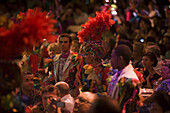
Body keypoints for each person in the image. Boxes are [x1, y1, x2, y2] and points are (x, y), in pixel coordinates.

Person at [107, 45, 140, 113]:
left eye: (112, 57)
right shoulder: (118, 74)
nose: (111, 60)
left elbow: (127, 108)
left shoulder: (129, 79)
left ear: (120, 59)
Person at [53, 33, 83, 97]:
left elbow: (79, 76)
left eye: (65, 42)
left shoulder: (76, 57)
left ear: (70, 44)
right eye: (61, 42)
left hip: (72, 92)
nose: (62, 44)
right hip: (58, 92)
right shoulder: (55, 59)